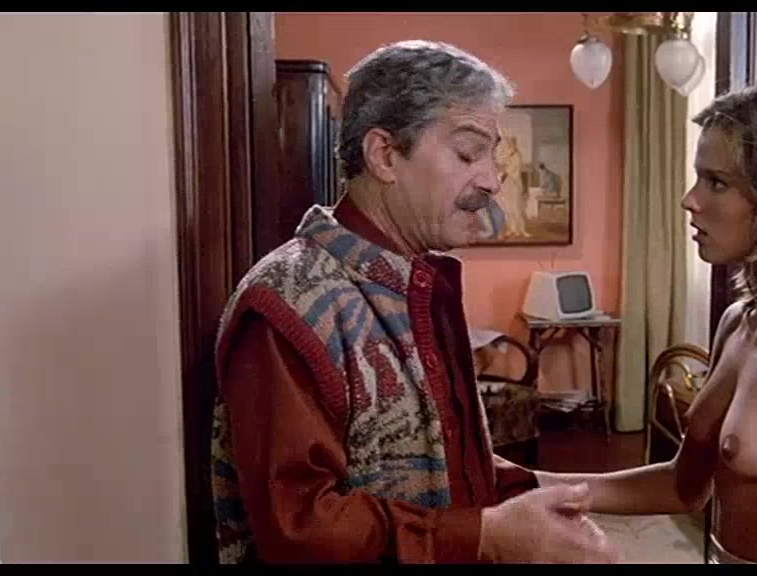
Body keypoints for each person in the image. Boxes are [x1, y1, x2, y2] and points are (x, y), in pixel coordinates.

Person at [208, 39, 620, 564]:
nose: (493, 180)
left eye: (492, 155)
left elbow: (449, 468)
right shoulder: (288, 303)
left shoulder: (418, 285)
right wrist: (486, 535)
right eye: (468, 153)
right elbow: (301, 528)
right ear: (384, 155)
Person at [538, 84, 757, 564]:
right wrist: (529, 483)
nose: (690, 200)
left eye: (717, 183)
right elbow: (682, 486)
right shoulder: (740, 322)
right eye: (698, 179)